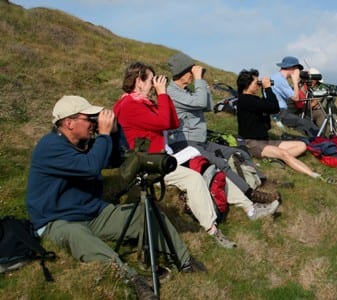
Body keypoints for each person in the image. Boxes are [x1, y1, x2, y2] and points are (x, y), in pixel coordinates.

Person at [25, 95, 203, 300]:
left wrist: (115, 132)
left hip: (92, 212)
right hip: (56, 220)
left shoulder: (85, 142)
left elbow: (118, 159)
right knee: (79, 237)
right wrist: (103, 134)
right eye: (88, 118)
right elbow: (91, 168)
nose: (93, 123)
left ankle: (184, 260)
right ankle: (132, 278)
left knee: (141, 215)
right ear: (69, 123)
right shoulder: (50, 146)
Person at [113, 62, 278, 246]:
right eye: (152, 80)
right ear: (139, 81)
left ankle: (250, 209)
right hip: (149, 163)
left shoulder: (144, 103)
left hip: (163, 157)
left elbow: (173, 122)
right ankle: (212, 228)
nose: (155, 84)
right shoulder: (128, 105)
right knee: (193, 179)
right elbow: (165, 124)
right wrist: (163, 94)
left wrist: (161, 98)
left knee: (212, 167)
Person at [166, 52, 280, 204]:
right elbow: (200, 103)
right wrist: (199, 80)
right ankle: (251, 194)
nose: (193, 75)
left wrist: (202, 84)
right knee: (221, 163)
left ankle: (261, 180)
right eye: (190, 72)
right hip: (186, 142)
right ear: (181, 72)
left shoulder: (186, 91)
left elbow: (208, 106)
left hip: (200, 140)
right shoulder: (172, 93)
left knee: (239, 152)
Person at [236, 68, 323, 178]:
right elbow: (274, 108)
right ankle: (312, 174)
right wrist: (267, 88)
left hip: (265, 141)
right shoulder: (245, 100)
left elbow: (270, 107)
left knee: (302, 146)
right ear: (247, 84)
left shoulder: (254, 99)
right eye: (256, 82)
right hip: (252, 143)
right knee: (284, 153)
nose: (258, 84)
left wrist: (265, 89)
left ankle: (274, 157)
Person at [271, 56, 319, 137]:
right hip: (279, 113)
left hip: (280, 111)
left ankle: (317, 141)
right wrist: (295, 81)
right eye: (297, 69)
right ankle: (320, 143)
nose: (298, 71)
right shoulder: (279, 79)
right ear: (291, 68)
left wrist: (300, 80)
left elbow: (293, 93)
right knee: (306, 123)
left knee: (306, 121)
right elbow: (296, 98)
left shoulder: (278, 77)